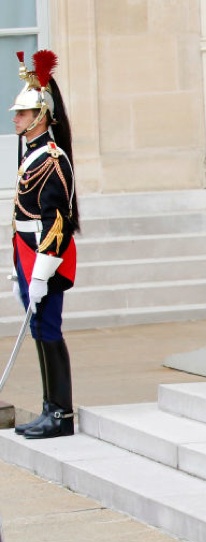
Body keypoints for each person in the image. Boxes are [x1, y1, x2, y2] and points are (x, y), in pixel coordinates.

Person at [9, 50, 79, 439]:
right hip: (29, 254)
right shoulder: (33, 154)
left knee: (48, 329)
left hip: (43, 257)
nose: (16, 119)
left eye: (22, 114)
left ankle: (60, 412)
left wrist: (41, 269)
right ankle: (50, 406)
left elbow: (56, 221)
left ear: (41, 116)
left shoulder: (51, 158)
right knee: (39, 329)